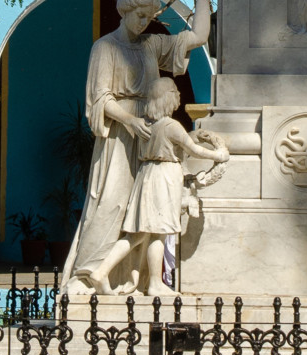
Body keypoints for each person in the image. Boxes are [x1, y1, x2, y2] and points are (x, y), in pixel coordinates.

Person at [59, 0, 214, 294]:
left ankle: (139, 279)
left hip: (149, 137)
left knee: (145, 208)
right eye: (140, 16)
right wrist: (129, 121)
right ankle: (89, 273)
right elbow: (100, 98)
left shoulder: (152, 45)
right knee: (112, 202)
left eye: (149, 17)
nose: (145, 23)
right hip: (119, 136)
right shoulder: (105, 48)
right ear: (124, 12)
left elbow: (197, 36)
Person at [81, 78, 229, 297]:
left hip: (146, 176)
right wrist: (218, 154)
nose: (179, 96)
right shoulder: (171, 126)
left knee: (139, 235)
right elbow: (194, 149)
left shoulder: (146, 124)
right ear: (167, 97)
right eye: (176, 92)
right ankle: (151, 283)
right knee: (156, 234)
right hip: (164, 178)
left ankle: (107, 273)